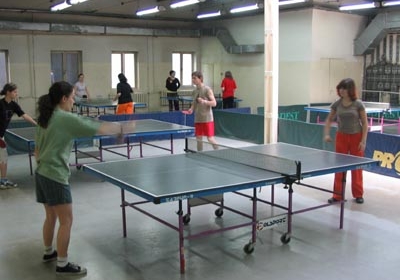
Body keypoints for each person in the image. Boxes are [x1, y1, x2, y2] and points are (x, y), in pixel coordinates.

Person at [35, 81, 133, 275]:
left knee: (50, 216)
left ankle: (49, 252)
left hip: (42, 173)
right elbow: (95, 128)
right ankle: (62, 265)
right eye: (72, 97)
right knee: (66, 221)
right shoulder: (64, 118)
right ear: (63, 99)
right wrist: (123, 128)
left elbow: (37, 151)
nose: (74, 100)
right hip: (55, 175)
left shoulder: (45, 118)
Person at [324, 78, 368, 204]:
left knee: (357, 167)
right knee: (339, 167)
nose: (341, 91)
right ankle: (337, 195)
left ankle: (358, 194)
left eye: (344, 88)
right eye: (340, 88)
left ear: (350, 90)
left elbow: (365, 124)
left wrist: (363, 141)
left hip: (356, 137)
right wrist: (327, 134)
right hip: (341, 137)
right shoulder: (337, 104)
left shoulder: (358, 104)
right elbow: (329, 120)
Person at [0, 83, 37, 189]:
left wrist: (36, 124)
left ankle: (3, 180)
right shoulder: (0, 104)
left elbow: (24, 115)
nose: (17, 93)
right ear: (8, 92)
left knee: (3, 158)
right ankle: (3, 180)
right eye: (15, 91)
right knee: (3, 158)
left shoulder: (13, 105)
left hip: (1, 135)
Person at [184, 71, 218, 151]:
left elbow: (214, 103)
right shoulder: (194, 91)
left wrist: (204, 101)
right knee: (198, 139)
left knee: (210, 139)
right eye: (192, 78)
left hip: (207, 118)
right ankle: (200, 154)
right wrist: (191, 109)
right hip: (198, 118)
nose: (193, 80)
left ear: (200, 78)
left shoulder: (207, 89)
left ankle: (219, 151)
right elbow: (194, 103)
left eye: (195, 78)